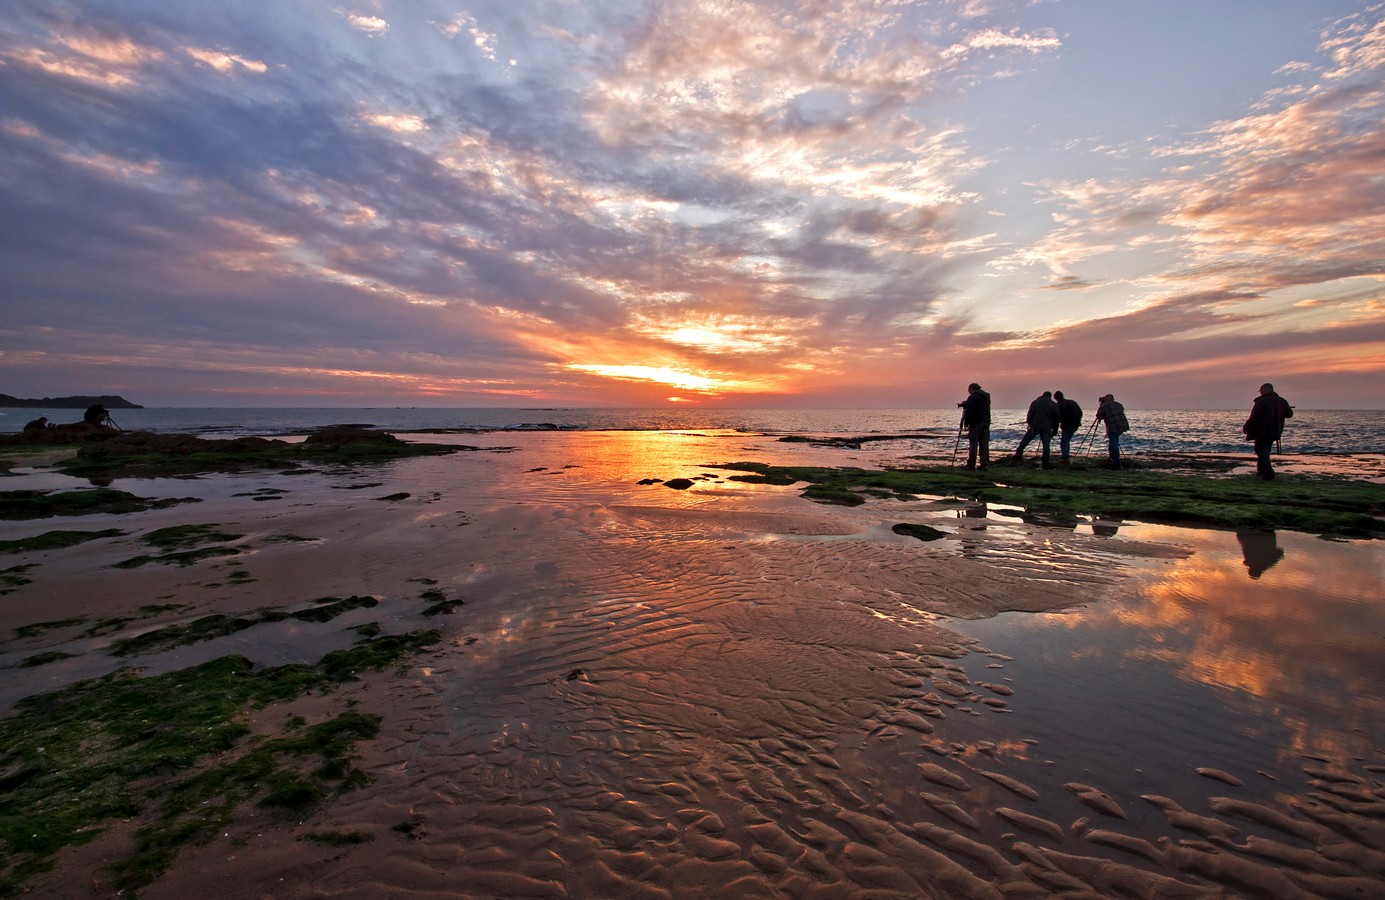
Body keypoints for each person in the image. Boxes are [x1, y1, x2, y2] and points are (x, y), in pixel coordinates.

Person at [1243, 382, 1293, 479]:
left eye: (1260, 391)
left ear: (1264, 390)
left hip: (1262, 431)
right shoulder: (1281, 401)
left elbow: (1254, 417)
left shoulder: (1262, 401)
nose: (1260, 393)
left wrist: (1246, 427)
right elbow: (1289, 414)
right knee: (1264, 451)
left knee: (1261, 451)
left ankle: (1268, 473)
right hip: (1275, 431)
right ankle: (1262, 472)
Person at [1014, 391, 1060, 468]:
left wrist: (1030, 423)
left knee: (1025, 441)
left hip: (1035, 426)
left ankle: (1018, 455)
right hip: (1046, 427)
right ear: (1050, 396)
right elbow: (1057, 419)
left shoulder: (1035, 402)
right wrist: (1055, 430)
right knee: (1046, 445)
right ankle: (1045, 462)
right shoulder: (1053, 404)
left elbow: (1030, 414)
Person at [958, 383, 991, 470]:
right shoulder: (986, 396)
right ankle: (984, 464)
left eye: (969, 390)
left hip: (976, 423)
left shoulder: (973, 397)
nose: (968, 392)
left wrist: (966, 423)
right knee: (984, 444)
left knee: (973, 444)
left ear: (972, 388)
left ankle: (971, 464)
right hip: (986, 422)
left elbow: (969, 411)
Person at [1095, 393, 1129, 468]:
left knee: (1113, 443)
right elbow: (1121, 410)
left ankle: (1117, 462)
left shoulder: (1103, 406)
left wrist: (1101, 406)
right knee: (1114, 441)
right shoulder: (1118, 404)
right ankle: (1112, 458)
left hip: (1113, 426)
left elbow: (1099, 417)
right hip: (1123, 425)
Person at [1054, 390, 1083, 463]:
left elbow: (1057, 417)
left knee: (1064, 441)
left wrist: (1055, 427)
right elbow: (1080, 412)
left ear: (1056, 398)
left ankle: (1065, 458)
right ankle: (1065, 455)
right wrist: (1078, 421)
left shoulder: (1059, 405)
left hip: (1067, 425)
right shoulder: (1072, 402)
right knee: (1066, 441)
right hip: (1075, 425)